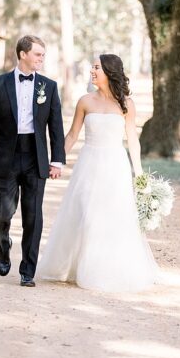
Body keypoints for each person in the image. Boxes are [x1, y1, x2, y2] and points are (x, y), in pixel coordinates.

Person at [38, 53, 159, 292]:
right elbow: (72, 135)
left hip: (115, 165)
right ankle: (79, 267)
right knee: (86, 212)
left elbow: (132, 139)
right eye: (92, 67)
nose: (92, 71)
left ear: (109, 71)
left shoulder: (126, 104)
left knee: (112, 216)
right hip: (88, 164)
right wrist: (56, 162)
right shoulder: (85, 101)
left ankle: (106, 269)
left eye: (96, 68)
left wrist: (139, 174)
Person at [0, 35, 66, 287]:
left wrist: (57, 160)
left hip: (36, 157)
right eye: (37, 54)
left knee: (33, 216)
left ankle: (28, 271)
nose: (41, 58)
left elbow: (55, 126)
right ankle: (4, 245)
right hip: (6, 155)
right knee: (2, 212)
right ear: (23, 54)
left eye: (43, 54)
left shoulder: (48, 86)